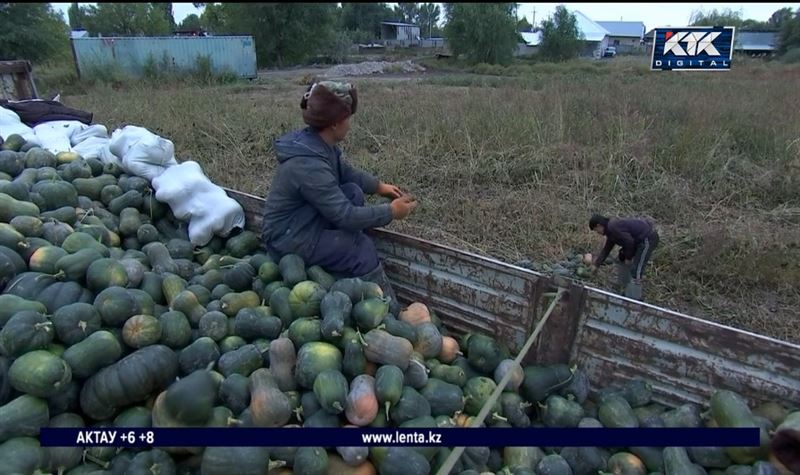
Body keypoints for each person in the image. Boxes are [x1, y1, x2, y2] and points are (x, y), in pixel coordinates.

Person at [260, 81, 417, 314]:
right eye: (347, 119)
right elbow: (345, 216)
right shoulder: (309, 164)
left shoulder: (318, 143)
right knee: (360, 247)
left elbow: (346, 173)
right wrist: (391, 212)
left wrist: (379, 187)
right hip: (288, 239)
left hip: (301, 222)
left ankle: (342, 269)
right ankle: (390, 311)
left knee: (352, 190)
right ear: (334, 124)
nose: (350, 125)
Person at [584, 214, 660, 300]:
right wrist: (596, 265)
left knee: (637, 269)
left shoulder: (613, 227)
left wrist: (628, 257)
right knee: (621, 256)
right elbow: (606, 249)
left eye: (596, 230)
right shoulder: (610, 231)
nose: (598, 233)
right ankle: (623, 286)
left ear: (598, 226)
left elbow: (629, 242)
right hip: (638, 240)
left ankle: (634, 298)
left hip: (648, 238)